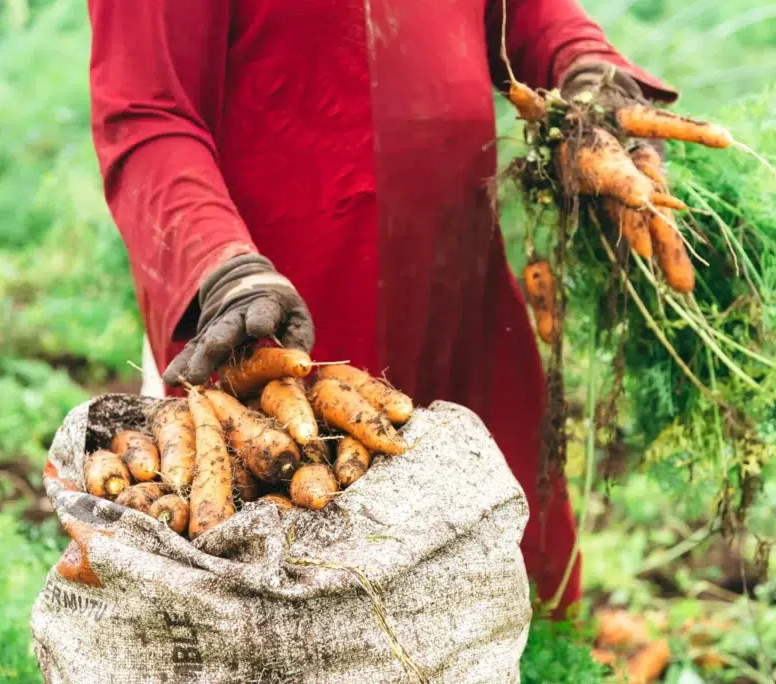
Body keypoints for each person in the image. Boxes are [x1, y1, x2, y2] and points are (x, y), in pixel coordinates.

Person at [86, 0, 677, 615]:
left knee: (500, 577)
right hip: (280, 328)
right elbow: (146, 109)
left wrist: (579, 64)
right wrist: (221, 263)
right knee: (309, 605)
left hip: (459, 292)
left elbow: (517, 12)